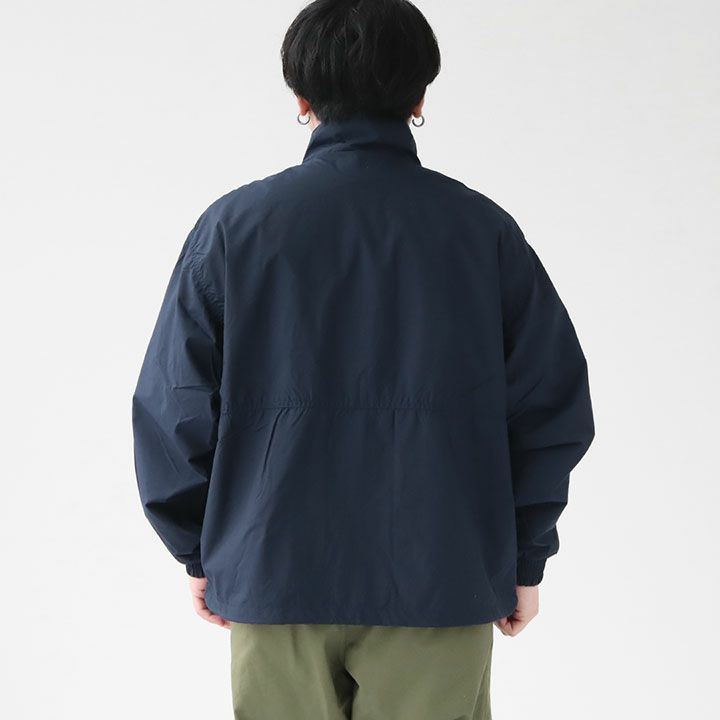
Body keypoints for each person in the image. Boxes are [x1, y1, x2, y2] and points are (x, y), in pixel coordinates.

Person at [131, 0, 595, 717]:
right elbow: (550, 408)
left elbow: (173, 406)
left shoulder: (233, 229)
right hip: (442, 579)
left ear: (301, 98)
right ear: (419, 99)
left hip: (274, 576)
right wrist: (525, 557)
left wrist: (199, 549)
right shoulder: (482, 232)